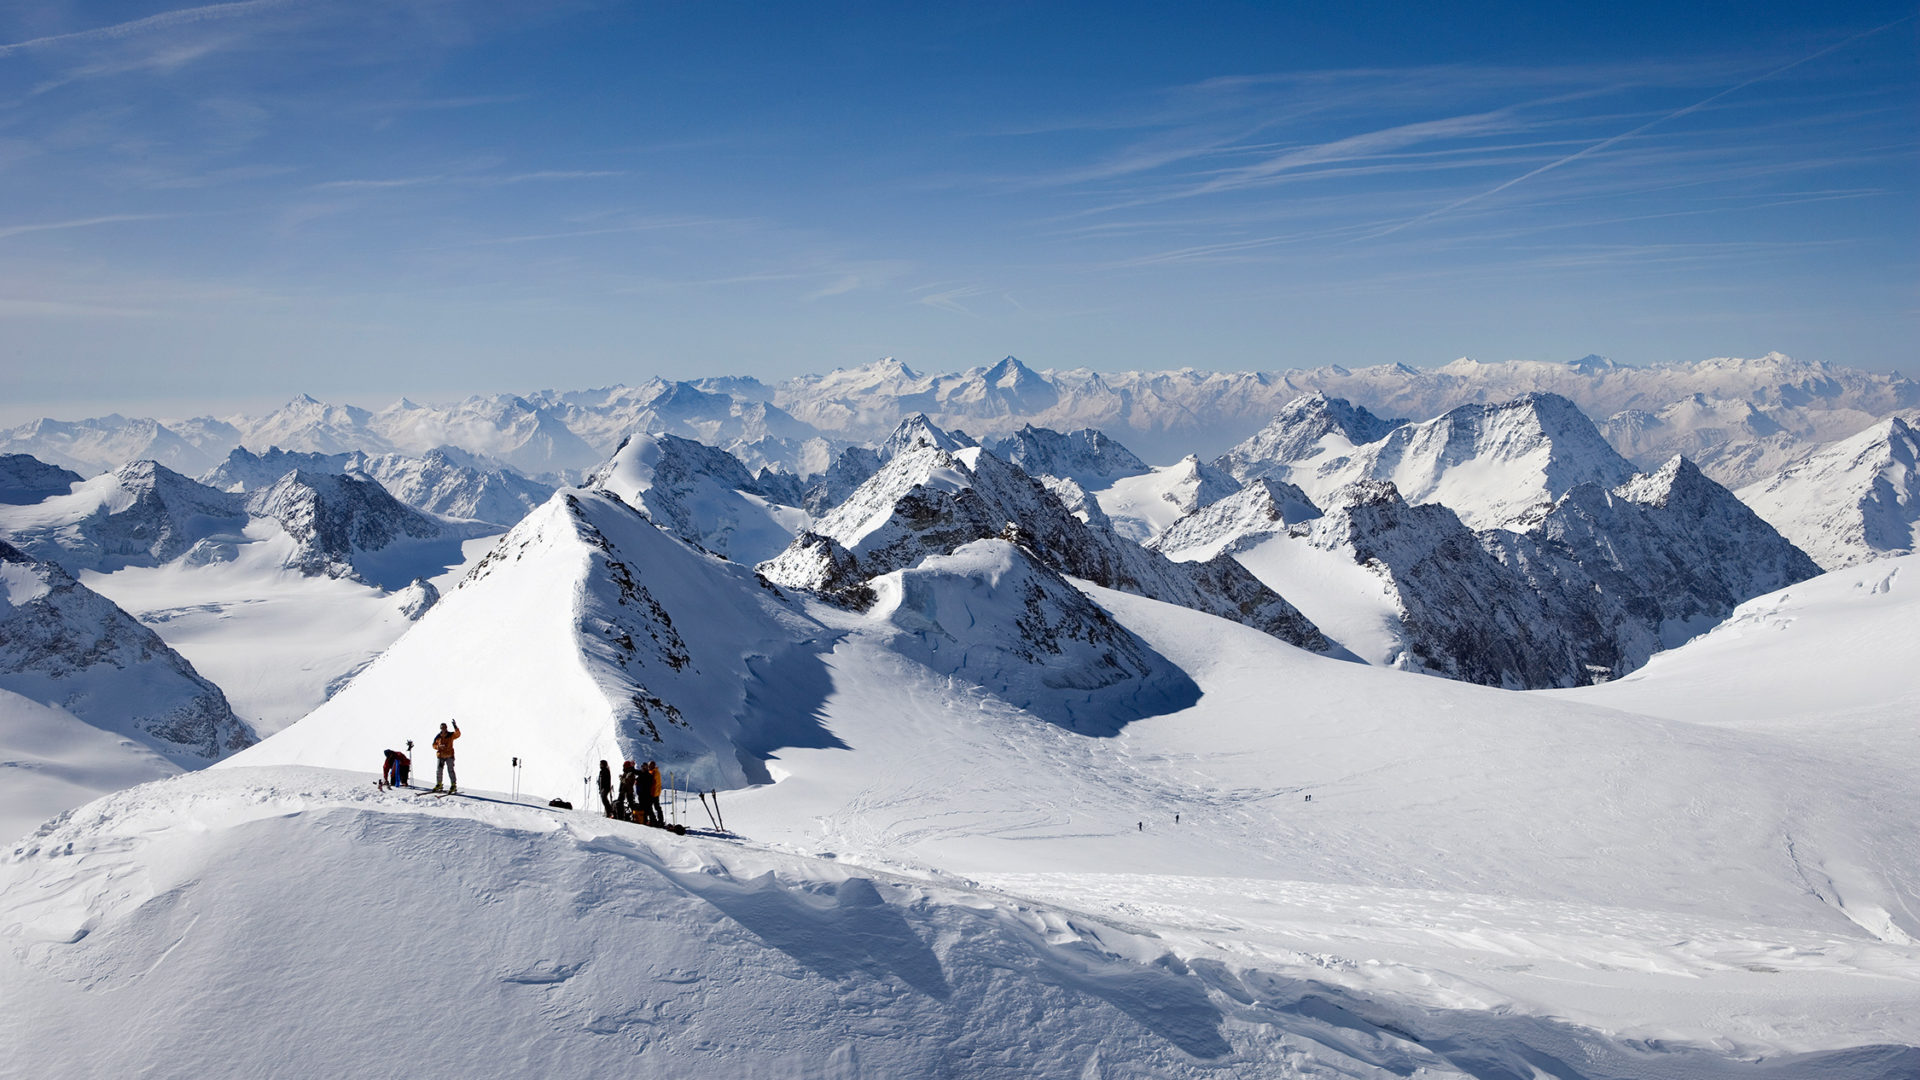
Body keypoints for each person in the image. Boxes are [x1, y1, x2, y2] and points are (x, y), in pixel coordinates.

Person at [431, 720, 461, 793]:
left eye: (444, 728)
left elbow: (458, 734)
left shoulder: (451, 735)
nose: (443, 729)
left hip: (449, 755)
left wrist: (455, 726)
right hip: (441, 756)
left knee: (450, 770)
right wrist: (438, 746)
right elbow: (433, 745)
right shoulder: (438, 737)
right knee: (439, 771)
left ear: (446, 728)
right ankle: (439, 784)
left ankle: (453, 785)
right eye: (442, 728)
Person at [643, 761, 665, 828]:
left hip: (653, 793)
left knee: (650, 807)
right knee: (657, 807)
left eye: (649, 766)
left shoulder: (653, 772)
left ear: (652, 766)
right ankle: (660, 821)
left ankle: (654, 821)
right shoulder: (656, 771)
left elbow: (651, 782)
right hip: (656, 793)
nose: (649, 767)